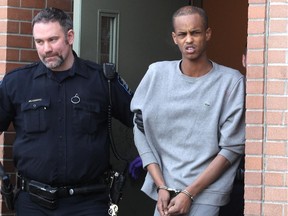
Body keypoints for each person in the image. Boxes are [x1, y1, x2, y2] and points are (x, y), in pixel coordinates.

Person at [0, 7, 133, 215]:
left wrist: (145, 162)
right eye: (39, 42)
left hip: (88, 203)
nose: (46, 49)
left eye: (53, 39)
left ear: (70, 37)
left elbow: (142, 121)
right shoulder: (16, 83)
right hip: (33, 203)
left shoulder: (102, 80)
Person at [130, 5, 245, 216]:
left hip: (207, 194)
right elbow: (139, 129)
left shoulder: (231, 82)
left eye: (195, 32)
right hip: (164, 191)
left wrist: (189, 193)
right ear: (175, 38)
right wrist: (160, 185)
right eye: (182, 34)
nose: (189, 39)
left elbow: (232, 148)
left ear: (208, 34)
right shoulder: (156, 73)